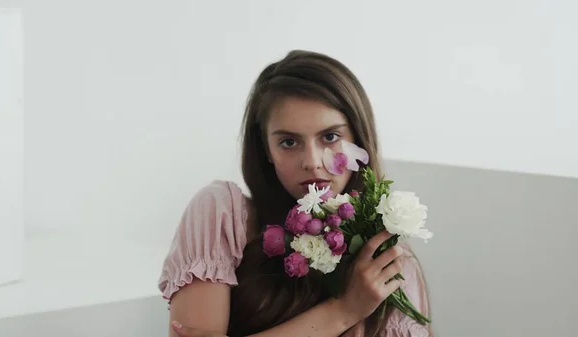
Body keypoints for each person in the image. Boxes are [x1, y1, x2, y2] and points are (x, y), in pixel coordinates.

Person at [158, 50, 433, 337]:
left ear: (358, 140)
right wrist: (344, 311)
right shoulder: (223, 215)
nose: (312, 161)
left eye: (330, 137)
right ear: (266, 150)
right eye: (289, 142)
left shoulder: (388, 259)